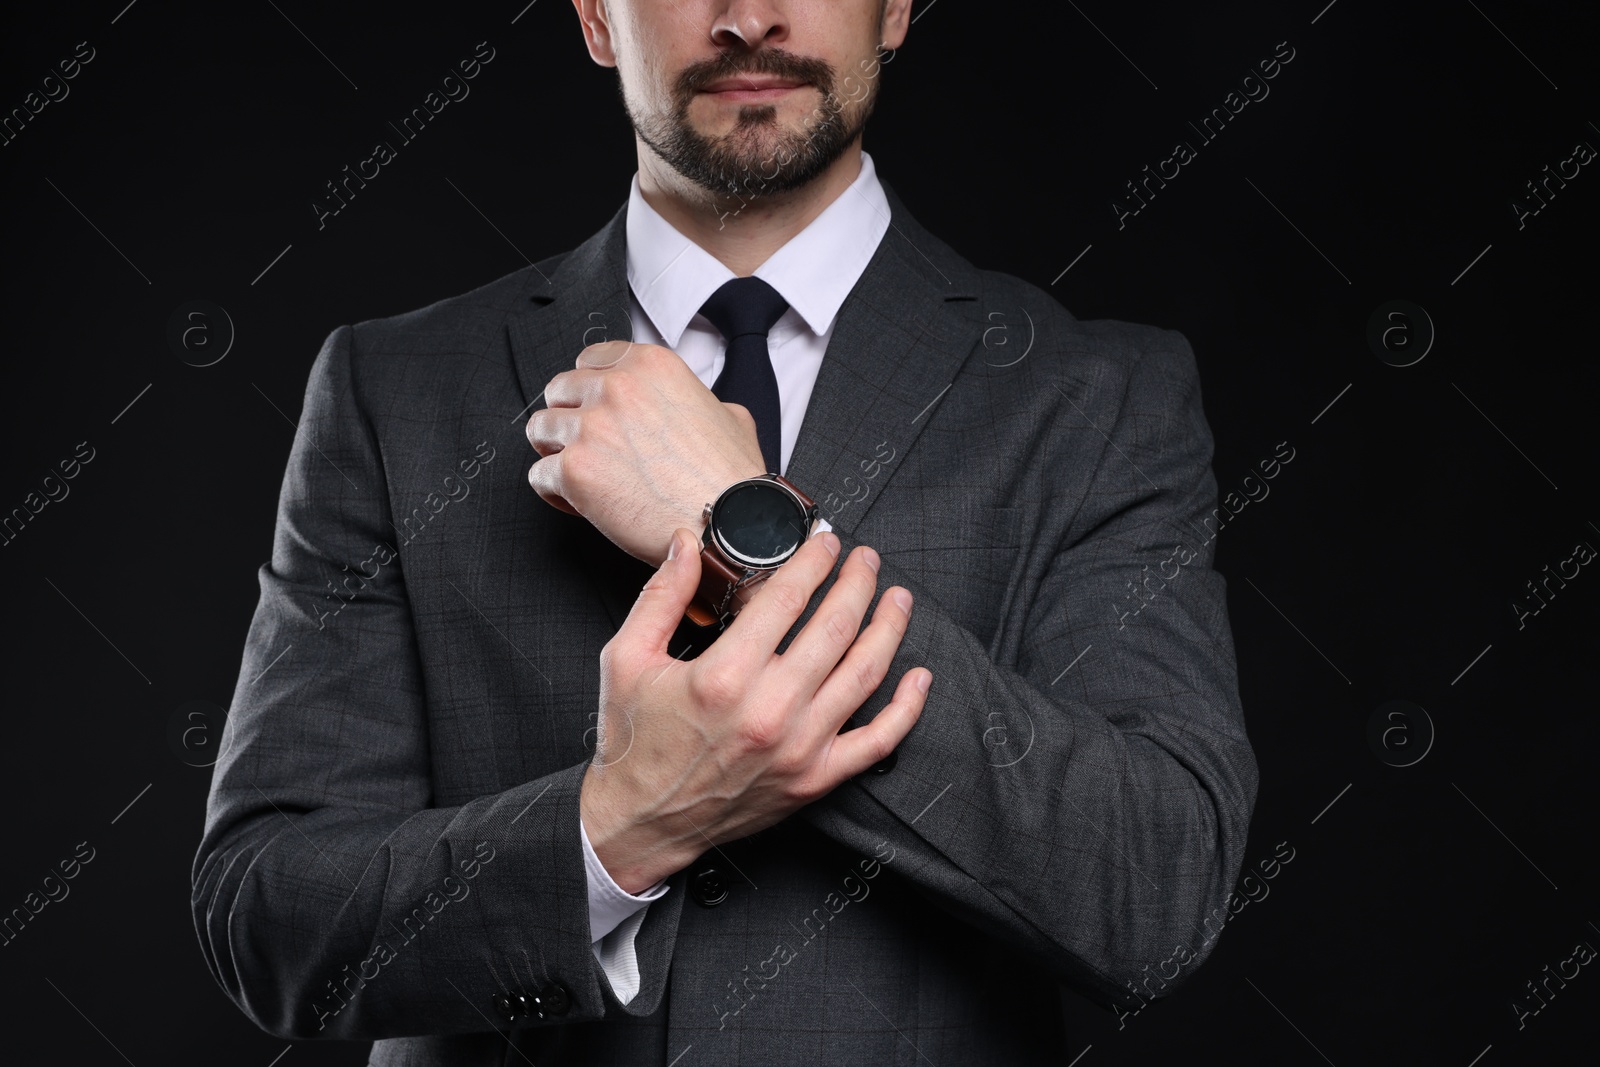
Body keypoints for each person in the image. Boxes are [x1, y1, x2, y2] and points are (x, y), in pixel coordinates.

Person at [192, 1, 1259, 1063]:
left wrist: (750, 532)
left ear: (895, 10)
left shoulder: (1102, 395)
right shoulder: (393, 388)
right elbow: (269, 913)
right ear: (597, 22)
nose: (748, 19)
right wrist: (620, 826)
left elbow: (1155, 892)